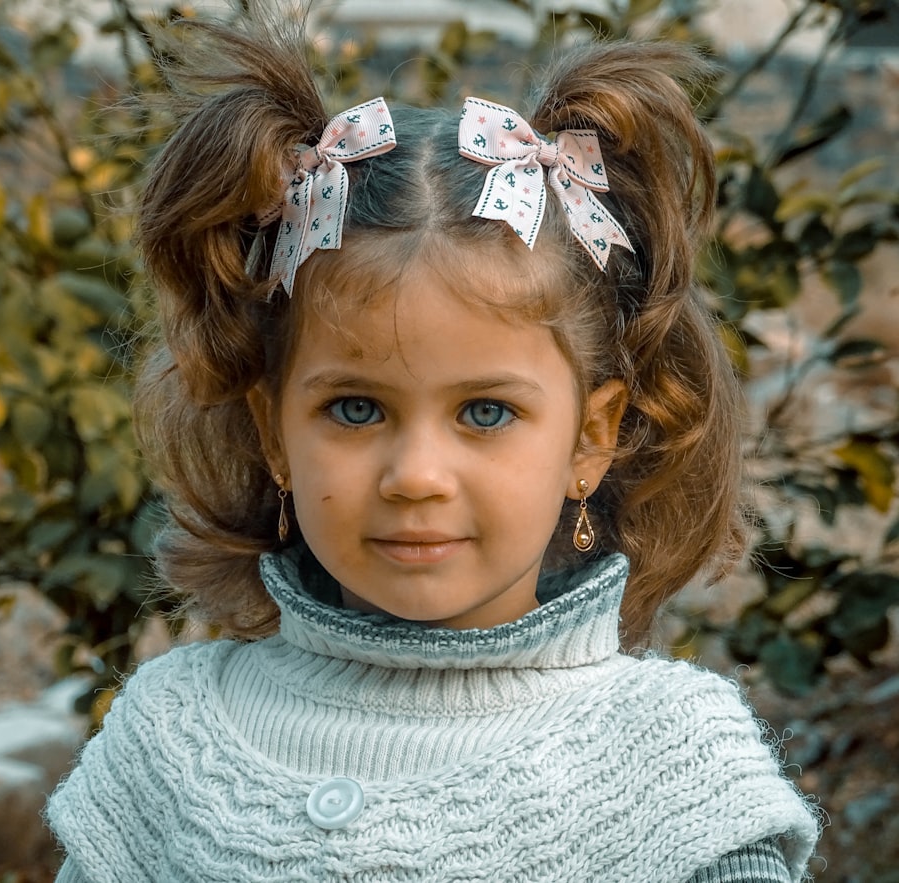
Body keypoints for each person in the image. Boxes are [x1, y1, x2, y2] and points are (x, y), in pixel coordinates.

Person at [46, 10, 821, 882]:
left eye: (485, 413)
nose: (415, 476)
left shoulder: (671, 771)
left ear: (591, 438)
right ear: (273, 433)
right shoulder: (171, 740)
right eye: (354, 409)